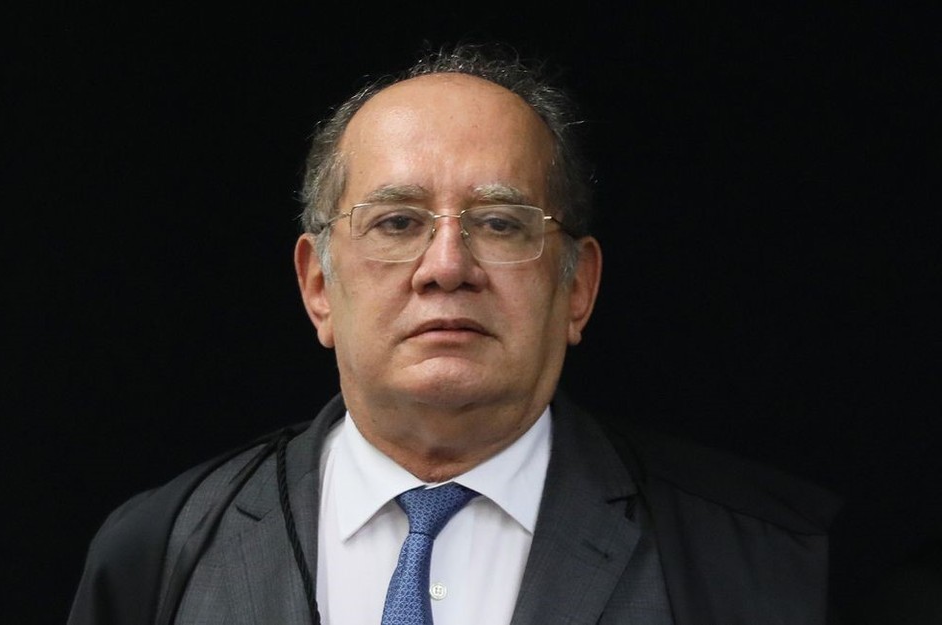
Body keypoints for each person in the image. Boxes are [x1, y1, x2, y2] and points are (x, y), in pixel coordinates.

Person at [68, 44, 839, 625]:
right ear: (317, 287)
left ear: (577, 288)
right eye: (397, 222)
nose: (446, 266)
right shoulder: (157, 550)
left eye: (500, 223)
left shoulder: (770, 560)